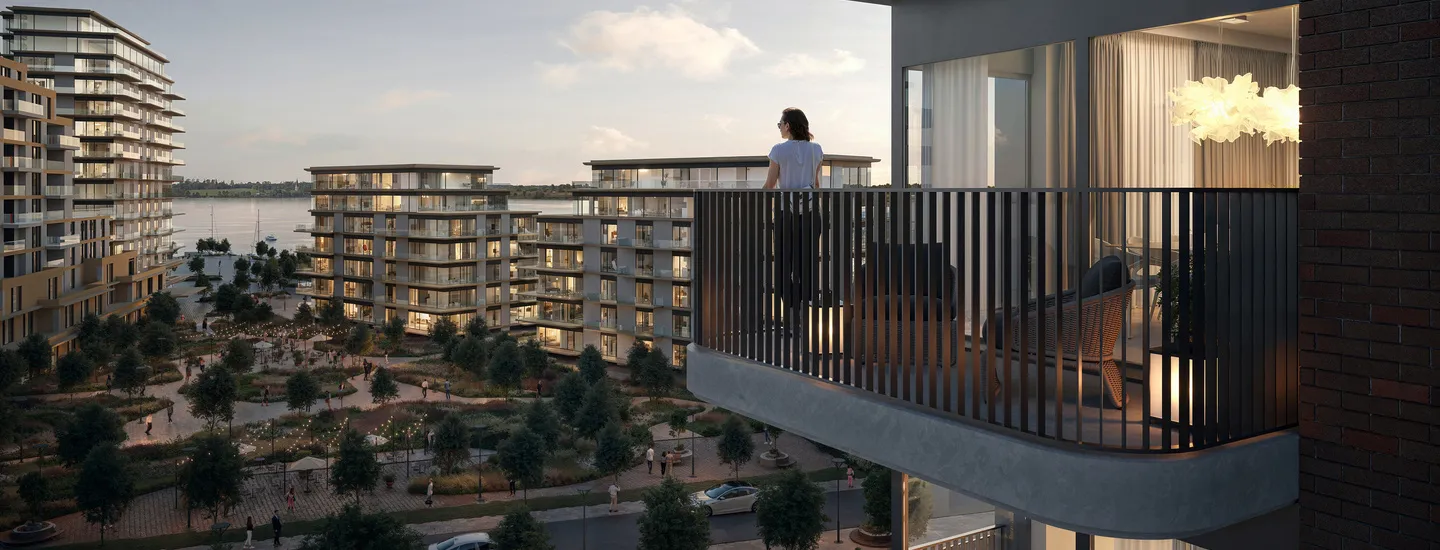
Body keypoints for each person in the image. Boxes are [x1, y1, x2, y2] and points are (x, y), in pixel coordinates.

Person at [763, 107, 825, 335]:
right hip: (810, 214)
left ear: (788, 125)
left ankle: (789, 320)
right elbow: (816, 184)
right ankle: (805, 319)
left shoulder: (778, 150)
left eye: (780, 123)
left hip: (785, 214)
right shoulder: (816, 149)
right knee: (806, 265)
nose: (779, 127)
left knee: (783, 266)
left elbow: (770, 186)